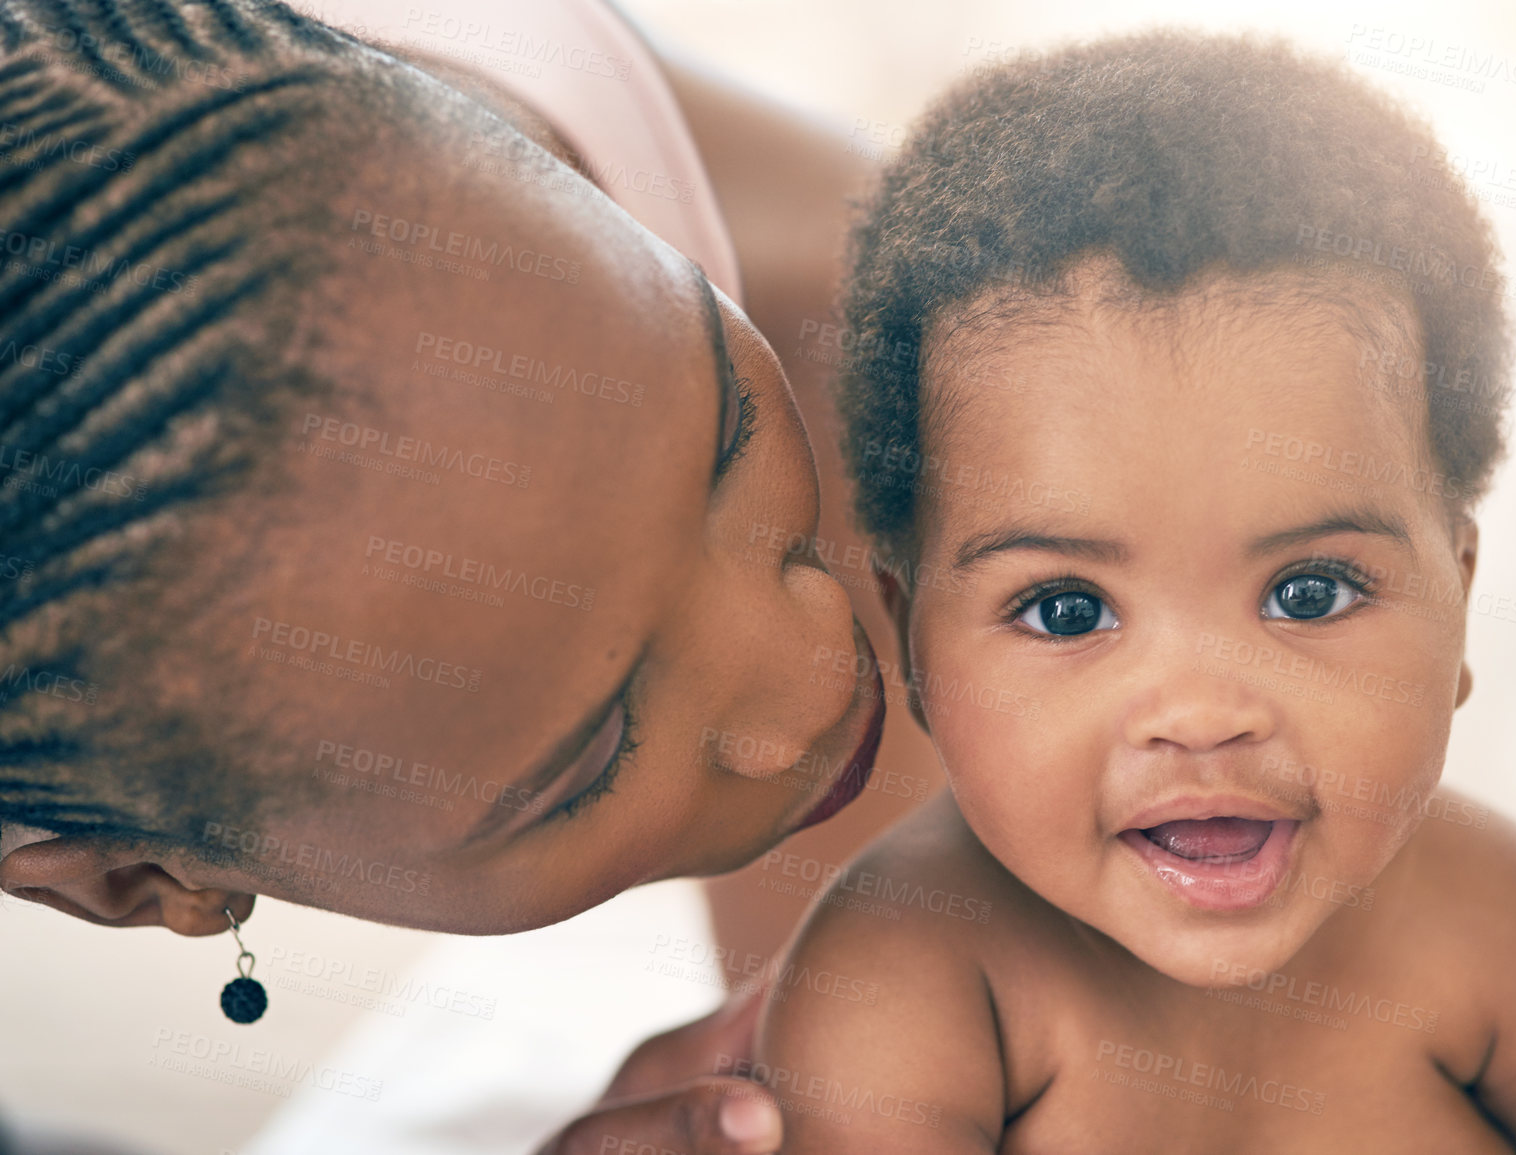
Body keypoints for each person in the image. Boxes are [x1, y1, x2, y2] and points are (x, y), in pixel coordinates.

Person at [756, 32, 1516, 1152]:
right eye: (1067, 610)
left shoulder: (1509, 933)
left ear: (1459, 597)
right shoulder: (917, 982)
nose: (1205, 712)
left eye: (1309, 594)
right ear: (912, 643)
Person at [0, 0, 935, 1149]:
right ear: (144, 881)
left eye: (726, 441)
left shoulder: (884, 310)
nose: (816, 680)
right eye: (589, 760)